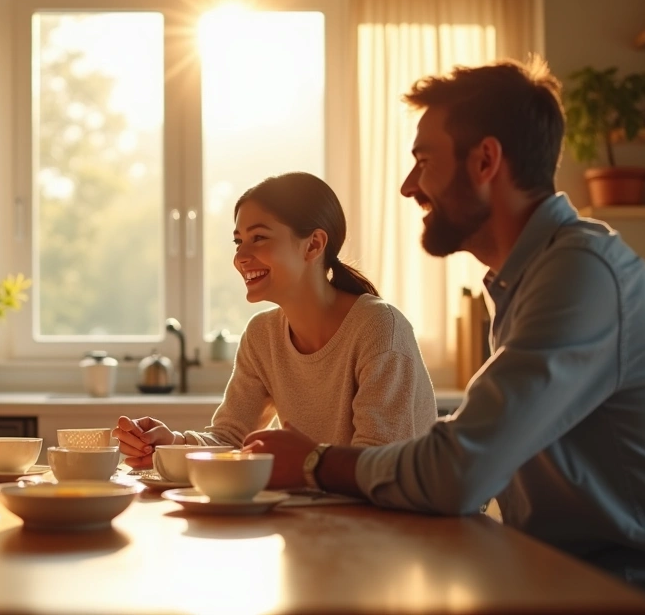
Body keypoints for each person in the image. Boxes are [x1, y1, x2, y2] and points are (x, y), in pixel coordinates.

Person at [242, 59, 645, 612]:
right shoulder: (528, 281)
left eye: (423, 162)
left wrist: (313, 462)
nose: (409, 187)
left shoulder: (582, 274)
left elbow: (460, 470)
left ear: (485, 161)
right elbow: (467, 444)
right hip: (544, 579)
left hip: (619, 595)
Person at [114, 172, 438, 469]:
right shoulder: (261, 335)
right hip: (317, 519)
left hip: (396, 527)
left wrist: (301, 466)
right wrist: (171, 445)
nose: (241, 256)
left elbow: (377, 465)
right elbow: (231, 439)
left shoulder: (379, 328)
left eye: (259, 238)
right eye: (239, 241)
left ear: (313, 244)